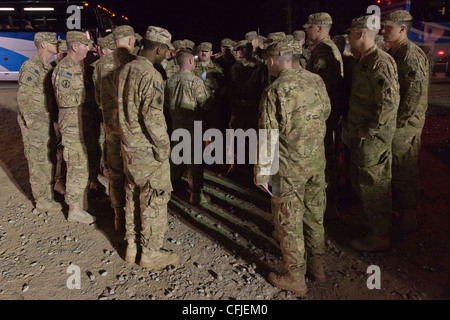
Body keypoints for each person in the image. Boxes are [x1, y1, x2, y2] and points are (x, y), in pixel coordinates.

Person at [255, 40, 331, 296]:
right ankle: (318, 269)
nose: (267, 63)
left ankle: (295, 277)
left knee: (289, 222)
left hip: (289, 169)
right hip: (316, 162)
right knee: (314, 216)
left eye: (268, 58)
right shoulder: (316, 80)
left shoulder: (275, 89)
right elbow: (326, 112)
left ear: (276, 58)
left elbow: (268, 136)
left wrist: (262, 174)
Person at [117, 26, 178, 269]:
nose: (166, 55)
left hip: (129, 147)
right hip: (147, 150)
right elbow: (153, 119)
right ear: (159, 48)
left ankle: (132, 246)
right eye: (166, 51)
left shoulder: (126, 69)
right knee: (154, 199)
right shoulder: (150, 75)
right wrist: (164, 148)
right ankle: (150, 253)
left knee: (132, 195)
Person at [346, 15, 400, 251]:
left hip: (372, 139)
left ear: (360, 34)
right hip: (362, 136)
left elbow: (389, 102)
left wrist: (370, 131)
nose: (348, 37)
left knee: (374, 184)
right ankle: (370, 221)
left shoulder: (380, 62)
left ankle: (379, 235)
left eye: (351, 33)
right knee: (363, 182)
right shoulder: (366, 60)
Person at [381, 10, 429, 234]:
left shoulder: (410, 55)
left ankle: (408, 217)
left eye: (388, 27)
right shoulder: (398, 52)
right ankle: (400, 213)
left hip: (405, 125)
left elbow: (414, 95)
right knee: (396, 168)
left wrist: (398, 124)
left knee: (404, 169)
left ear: (402, 29)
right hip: (399, 123)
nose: (383, 30)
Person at [93, 25, 136, 232]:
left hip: (111, 127)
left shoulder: (101, 65)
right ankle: (133, 219)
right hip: (132, 131)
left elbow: (98, 98)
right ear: (130, 41)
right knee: (134, 175)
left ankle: (118, 216)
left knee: (116, 173)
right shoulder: (136, 63)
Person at [52, 31, 96, 224]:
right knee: (76, 165)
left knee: (80, 165)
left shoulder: (76, 67)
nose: (88, 48)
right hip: (71, 126)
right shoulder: (65, 70)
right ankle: (74, 210)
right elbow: (64, 99)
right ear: (75, 47)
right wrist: (85, 97)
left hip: (77, 124)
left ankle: (79, 204)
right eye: (85, 45)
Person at [304, 12, 344, 221]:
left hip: (324, 116)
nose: (307, 31)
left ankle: (328, 205)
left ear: (319, 28)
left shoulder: (325, 51)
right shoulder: (325, 49)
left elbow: (324, 87)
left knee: (325, 159)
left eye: (309, 27)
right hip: (326, 115)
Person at [17, 32, 62, 214]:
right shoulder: (31, 67)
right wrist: (31, 123)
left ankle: (47, 193)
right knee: (38, 161)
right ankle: (42, 200)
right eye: (53, 42)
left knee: (48, 158)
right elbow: (24, 97)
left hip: (45, 120)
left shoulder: (47, 66)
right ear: (43, 45)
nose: (57, 45)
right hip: (36, 122)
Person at [165, 49, 212, 204]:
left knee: (176, 159)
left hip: (176, 126)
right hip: (193, 127)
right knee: (195, 161)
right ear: (191, 61)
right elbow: (205, 104)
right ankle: (196, 194)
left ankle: (166, 189)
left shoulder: (170, 80)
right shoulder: (195, 81)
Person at [194, 42, 224, 132]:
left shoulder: (217, 68)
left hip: (213, 107)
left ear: (211, 53)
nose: (203, 53)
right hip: (196, 107)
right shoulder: (192, 67)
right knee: (197, 132)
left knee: (212, 131)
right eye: (201, 51)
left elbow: (223, 86)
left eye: (206, 51)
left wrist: (216, 98)